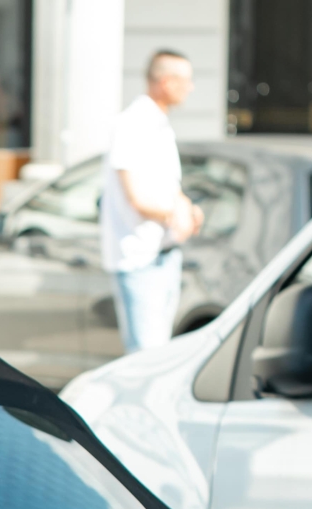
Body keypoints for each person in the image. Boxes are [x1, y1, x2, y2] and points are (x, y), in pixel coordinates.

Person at [100, 49, 203, 353]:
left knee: (158, 353)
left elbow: (169, 187)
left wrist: (187, 208)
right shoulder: (132, 124)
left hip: (164, 254)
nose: (191, 87)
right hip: (139, 259)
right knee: (147, 358)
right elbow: (136, 198)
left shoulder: (159, 125)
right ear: (165, 82)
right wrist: (176, 214)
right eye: (185, 80)